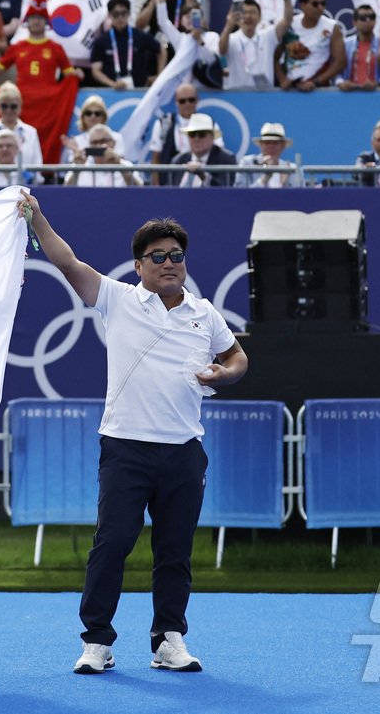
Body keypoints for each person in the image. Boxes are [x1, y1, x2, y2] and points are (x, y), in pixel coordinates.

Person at [18, 193, 247, 675]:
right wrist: (37, 217)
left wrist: (222, 375)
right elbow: (65, 259)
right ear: (139, 265)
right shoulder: (117, 298)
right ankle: (97, 641)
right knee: (113, 543)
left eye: (177, 256)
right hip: (125, 447)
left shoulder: (205, 314)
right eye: (158, 257)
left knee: (174, 550)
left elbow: (237, 357)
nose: (169, 264)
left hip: (184, 450)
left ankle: (169, 639)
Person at [171, 114, 238, 188]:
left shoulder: (226, 159)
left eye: (201, 134)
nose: (196, 139)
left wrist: (203, 175)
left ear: (212, 137)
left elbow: (226, 192)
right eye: (192, 134)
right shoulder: (179, 160)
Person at [236, 122, 299, 188]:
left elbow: (300, 195)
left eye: (275, 143)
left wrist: (284, 185)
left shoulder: (291, 169)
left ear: (283, 146)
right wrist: (264, 179)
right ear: (261, 145)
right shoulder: (247, 163)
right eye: (267, 142)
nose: (271, 146)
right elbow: (239, 194)